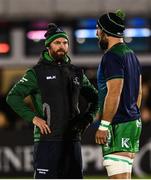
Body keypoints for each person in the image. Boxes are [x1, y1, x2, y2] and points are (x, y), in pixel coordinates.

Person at [6, 23, 98, 179]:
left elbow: (96, 99)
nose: (62, 46)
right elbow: (12, 97)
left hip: (72, 140)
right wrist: (33, 118)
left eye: (65, 42)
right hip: (47, 140)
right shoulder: (36, 73)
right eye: (57, 43)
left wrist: (87, 119)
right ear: (48, 45)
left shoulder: (76, 72)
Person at [95, 10, 142, 179]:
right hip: (131, 121)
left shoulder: (111, 57)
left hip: (119, 123)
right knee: (124, 176)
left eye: (98, 29)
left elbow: (114, 92)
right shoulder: (132, 55)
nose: (96, 33)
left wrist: (104, 125)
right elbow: (139, 93)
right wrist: (132, 114)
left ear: (106, 32)